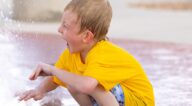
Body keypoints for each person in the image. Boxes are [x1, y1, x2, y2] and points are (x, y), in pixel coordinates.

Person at [18, 0, 154, 105]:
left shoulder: (102, 53)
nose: (59, 29)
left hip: (139, 102)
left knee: (89, 84)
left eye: (65, 26)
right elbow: (56, 78)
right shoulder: (72, 54)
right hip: (116, 100)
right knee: (72, 81)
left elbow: (86, 85)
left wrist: (52, 70)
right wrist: (39, 91)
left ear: (86, 36)